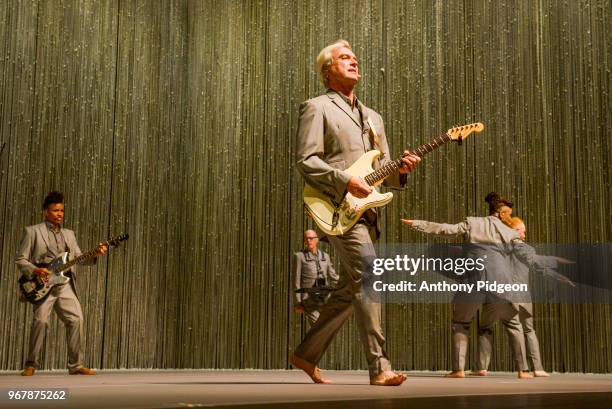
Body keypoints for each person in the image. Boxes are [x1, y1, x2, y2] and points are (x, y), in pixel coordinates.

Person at [290, 39, 421, 386]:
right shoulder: (317, 107)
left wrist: (403, 170)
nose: (353, 62)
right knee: (371, 277)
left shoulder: (374, 117)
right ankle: (379, 367)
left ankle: (305, 354)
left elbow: (383, 173)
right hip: (336, 207)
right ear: (327, 70)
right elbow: (307, 160)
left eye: (355, 58)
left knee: (351, 290)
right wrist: (345, 181)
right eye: (344, 58)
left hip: (368, 212)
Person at [401, 193, 536, 379]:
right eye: (508, 214)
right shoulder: (510, 233)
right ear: (500, 213)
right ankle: (523, 370)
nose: (510, 217)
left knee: (461, 324)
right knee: (513, 324)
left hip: (474, 279)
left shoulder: (473, 223)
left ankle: (459, 370)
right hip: (501, 284)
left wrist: (417, 223)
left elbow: (445, 229)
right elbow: (525, 253)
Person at [16, 191, 107, 376]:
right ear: (45, 212)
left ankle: (76, 365)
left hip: (64, 283)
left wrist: (96, 253)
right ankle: (31, 364)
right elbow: (20, 259)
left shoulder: (69, 234)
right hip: (43, 283)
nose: (59, 214)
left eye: (62, 210)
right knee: (41, 321)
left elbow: (79, 258)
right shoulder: (32, 231)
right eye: (55, 210)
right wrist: (35, 270)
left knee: (76, 319)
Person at [293, 230, 339, 326]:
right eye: (306, 239)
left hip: (325, 300)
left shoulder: (325, 256)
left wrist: (347, 283)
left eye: (311, 238)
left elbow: (333, 276)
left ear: (317, 240)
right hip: (309, 301)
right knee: (318, 327)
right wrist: (298, 303)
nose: (308, 241)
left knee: (325, 328)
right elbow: (296, 281)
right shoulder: (299, 256)